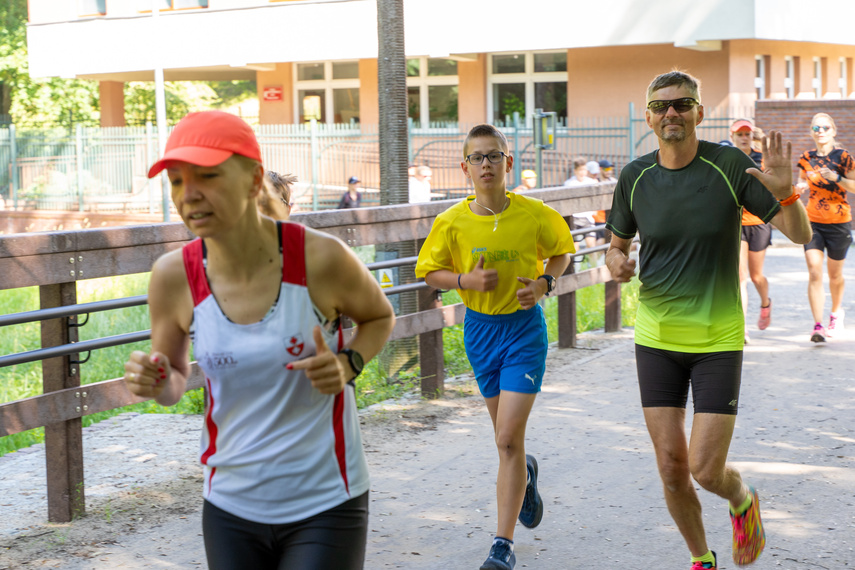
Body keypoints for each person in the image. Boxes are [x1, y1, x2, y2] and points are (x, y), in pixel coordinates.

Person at [122, 110, 395, 570]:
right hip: (230, 502)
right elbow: (173, 380)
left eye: (207, 176)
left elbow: (380, 317)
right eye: (175, 181)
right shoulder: (174, 276)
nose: (188, 195)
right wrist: (154, 381)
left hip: (326, 497)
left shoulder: (320, 257)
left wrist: (348, 364)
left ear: (252, 181)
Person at [605, 71, 810, 570]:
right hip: (656, 338)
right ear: (649, 116)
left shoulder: (728, 165)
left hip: (717, 338)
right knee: (672, 469)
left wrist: (785, 195)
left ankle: (741, 498)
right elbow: (616, 247)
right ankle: (702, 558)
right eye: (661, 106)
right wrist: (616, 264)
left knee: (704, 469)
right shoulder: (634, 177)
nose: (670, 113)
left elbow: (801, 236)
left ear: (699, 112)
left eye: (682, 104)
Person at [415, 124, 574, 570]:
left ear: (508, 163)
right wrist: (464, 280)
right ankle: (525, 474)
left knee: (506, 439)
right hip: (480, 333)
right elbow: (430, 272)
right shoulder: (451, 222)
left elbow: (562, 252)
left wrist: (544, 283)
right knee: (507, 442)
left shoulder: (534, 213)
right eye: (477, 157)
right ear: (465, 167)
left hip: (523, 332)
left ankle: (501, 546)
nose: (486, 164)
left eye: (494, 156)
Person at [796, 112, 855, 342]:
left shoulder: (844, 157)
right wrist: (799, 187)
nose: (820, 131)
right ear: (812, 132)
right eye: (816, 128)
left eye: (825, 127)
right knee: (814, 271)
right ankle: (818, 325)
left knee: (835, 275)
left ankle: (835, 313)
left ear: (834, 131)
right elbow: (802, 181)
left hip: (839, 222)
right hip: (813, 221)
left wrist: (837, 178)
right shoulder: (806, 158)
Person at [731, 119, 772, 344]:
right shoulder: (727, 159)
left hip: (758, 221)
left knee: (757, 277)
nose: (744, 137)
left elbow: (772, 179)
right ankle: (742, 328)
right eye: (740, 134)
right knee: (740, 276)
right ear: (733, 137)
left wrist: (761, 138)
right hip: (736, 222)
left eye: (747, 134)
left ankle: (765, 302)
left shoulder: (761, 157)